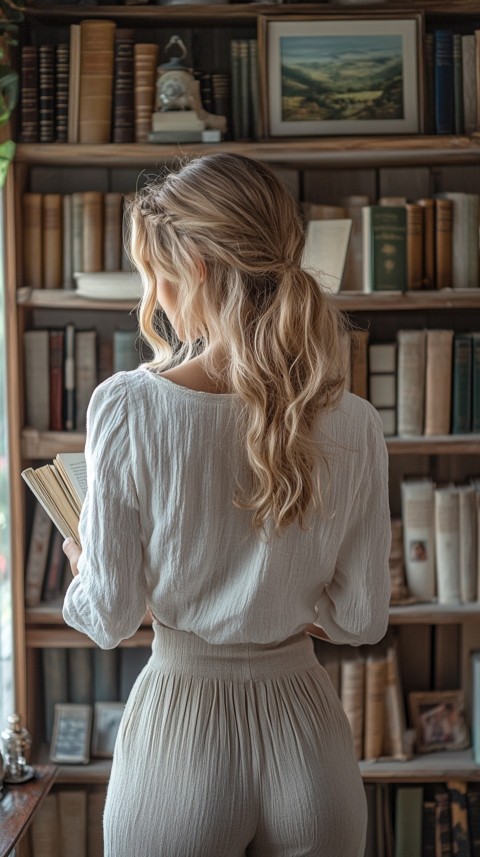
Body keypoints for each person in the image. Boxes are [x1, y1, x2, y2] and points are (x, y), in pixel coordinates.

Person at [62, 152, 391, 857]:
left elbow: (112, 613)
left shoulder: (128, 406)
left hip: (180, 732)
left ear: (199, 267)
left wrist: (83, 563)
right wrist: (276, 602)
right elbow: (363, 617)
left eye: (158, 273)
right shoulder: (354, 420)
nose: (159, 295)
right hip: (309, 738)